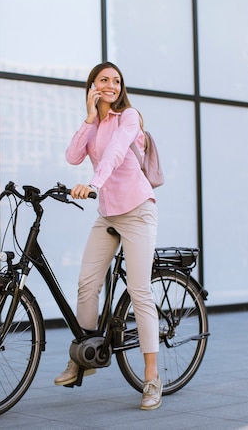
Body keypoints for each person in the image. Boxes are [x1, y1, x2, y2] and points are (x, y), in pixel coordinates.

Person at [55, 61, 161, 410]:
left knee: (139, 290)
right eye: (104, 80)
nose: (112, 85)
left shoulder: (129, 117)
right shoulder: (95, 124)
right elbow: (72, 157)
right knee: (87, 284)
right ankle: (85, 355)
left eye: (116, 80)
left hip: (137, 211)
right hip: (108, 214)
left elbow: (116, 154)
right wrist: (88, 116)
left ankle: (151, 377)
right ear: (93, 86)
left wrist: (94, 184)